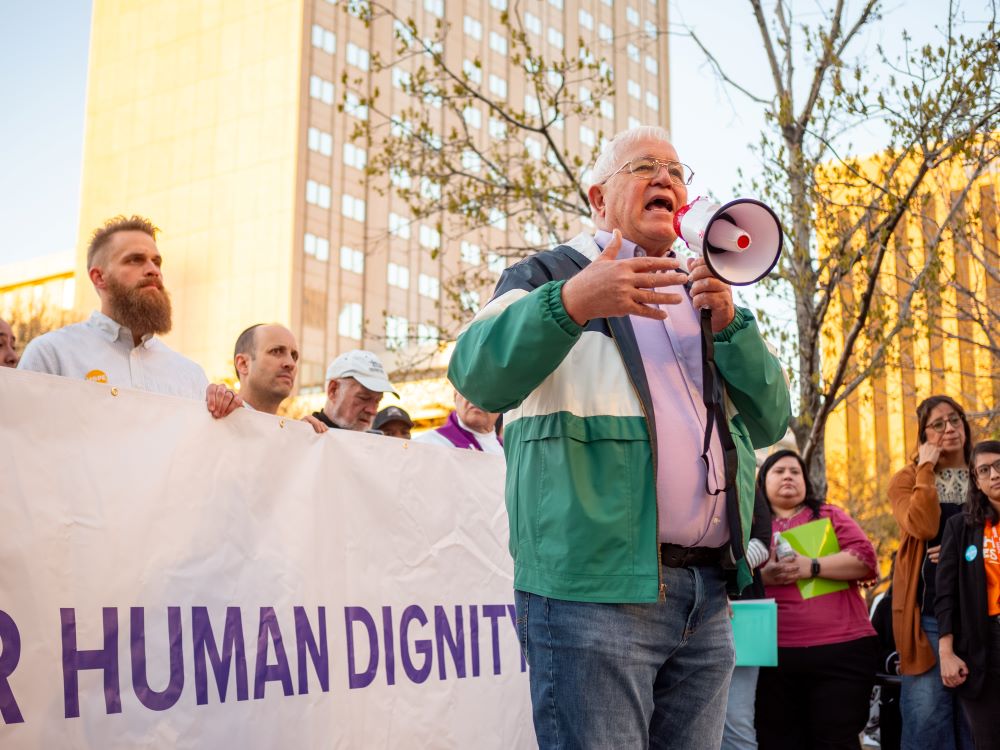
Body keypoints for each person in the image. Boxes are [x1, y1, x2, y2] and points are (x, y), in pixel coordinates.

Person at [448, 125, 791, 749]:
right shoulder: (548, 274)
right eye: (644, 166)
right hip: (593, 596)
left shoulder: (707, 292)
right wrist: (572, 302)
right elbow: (475, 374)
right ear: (599, 198)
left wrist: (734, 327)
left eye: (676, 170)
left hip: (707, 596)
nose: (665, 177)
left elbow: (771, 420)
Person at [17, 215, 240, 418]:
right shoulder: (52, 354)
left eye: (157, 261)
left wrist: (230, 414)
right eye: (135, 260)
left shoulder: (191, 376)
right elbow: (20, 444)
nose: (153, 270)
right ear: (99, 277)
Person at [755, 449, 879, 750]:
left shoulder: (829, 515)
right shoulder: (750, 527)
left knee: (835, 741)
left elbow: (865, 560)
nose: (788, 476)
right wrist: (762, 577)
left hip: (840, 652)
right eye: (779, 471)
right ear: (761, 482)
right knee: (778, 742)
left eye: (795, 472)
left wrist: (811, 566)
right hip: (771, 657)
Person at [889, 395, 974, 750]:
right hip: (927, 618)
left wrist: (959, 553)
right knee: (928, 726)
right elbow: (922, 526)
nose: (949, 429)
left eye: (954, 420)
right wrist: (926, 468)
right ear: (922, 435)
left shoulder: (986, 470)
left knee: (977, 725)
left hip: (981, 615)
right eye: (937, 424)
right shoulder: (906, 479)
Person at [935, 440, 1000, 750]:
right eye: (984, 470)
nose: (994, 475)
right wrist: (946, 653)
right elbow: (944, 594)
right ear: (976, 480)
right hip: (983, 646)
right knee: (988, 739)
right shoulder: (960, 527)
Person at [310, 349, 396, 431]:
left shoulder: (378, 443)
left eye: (378, 401)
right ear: (333, 390)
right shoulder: (303, 437)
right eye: (364, 398)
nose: (373, 411)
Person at [233, 324, 299, 414]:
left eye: (294, 356)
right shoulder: (212, 422)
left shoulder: (300, 427)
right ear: (243, 364)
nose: (291, 364)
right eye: (276, 351)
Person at [414, 391, 502, 454]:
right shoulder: (427, 445)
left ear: (503, 404)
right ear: (455, 395)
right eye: (469, 388)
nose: (477, 397)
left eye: (487, 391)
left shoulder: (510, 451)